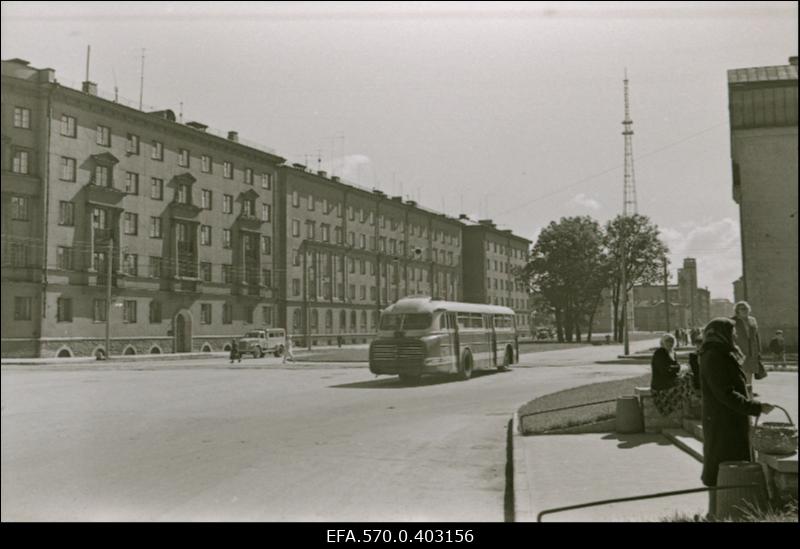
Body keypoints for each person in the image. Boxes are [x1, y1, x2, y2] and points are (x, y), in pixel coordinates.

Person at [697, 318, 774, 499]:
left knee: (726, 465)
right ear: (721, 334)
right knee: (722, 466)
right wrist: (755, 407)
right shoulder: (714, 356)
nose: (735, 336)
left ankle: (727, 506)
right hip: (723, 422)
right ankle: (719, 509)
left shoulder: (722, 353)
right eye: (732, 333)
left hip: (729, 419)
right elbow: (725, 393)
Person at [650, 333, 698, 416]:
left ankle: (690, 405)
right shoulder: (660, 353)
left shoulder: (673, 353)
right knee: (686, 381)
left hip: (671, 380)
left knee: (689, 376)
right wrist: (680, 367)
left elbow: (674, 368)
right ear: (662, 342)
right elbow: (665, 370)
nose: (670, 343)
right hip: (661, 384)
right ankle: (688, 409)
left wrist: (680, 369)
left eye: (672, 341)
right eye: (667, 341)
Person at [732, 301, 763, 394]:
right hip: (739, 349)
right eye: (742, 309)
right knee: (741, 370)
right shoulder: (733, 321)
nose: (745, 310)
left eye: (746, 308)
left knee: (750, 370)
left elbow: (757, 335)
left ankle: (749, 390)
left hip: (752, 349)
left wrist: (759, 349)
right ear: (737, 310)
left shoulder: (752, 320)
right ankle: (741, 390)